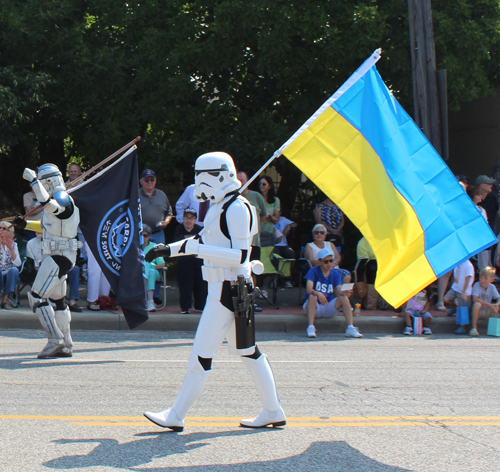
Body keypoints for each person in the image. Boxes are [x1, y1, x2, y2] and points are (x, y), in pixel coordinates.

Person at [144, 151, 285, 431]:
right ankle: (273, 410)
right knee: (248, 352)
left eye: (200, 176)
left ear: (217, 175)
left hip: (229, 290)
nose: (198, 184)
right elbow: (199, 239)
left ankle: (176, 415)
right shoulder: (222, 205)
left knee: (201, 354)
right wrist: (168, 250)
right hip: (225, 289)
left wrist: (195, 249)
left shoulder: (236, 208)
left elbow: (240, 255)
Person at [21, 163, 81, 358]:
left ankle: (54, 339)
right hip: (59, 255)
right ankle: (67, 343)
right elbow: (48, 226)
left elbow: (50, 206)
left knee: (37, 296)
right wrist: (25, 224)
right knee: (59, 301)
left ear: (48, 182)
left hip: (59, 256)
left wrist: (34, 181)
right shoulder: (58, 201)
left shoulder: (62, 199)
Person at [303, 247, 362, 339]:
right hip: (314, 307)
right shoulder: (313, 271)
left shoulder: (335, 273)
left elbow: (338, 288)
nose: (329, 264)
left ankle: (350, 327)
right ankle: (310, 327)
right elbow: (308, 289)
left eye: (331, 261)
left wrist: (343, 291)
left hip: (327, 306)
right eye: (326, 262)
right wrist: (318, 293)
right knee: (312, 296)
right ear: (320, 261)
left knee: (344, 298)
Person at [26, 231, 82, 312]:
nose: (38, 231)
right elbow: (30, 261)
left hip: (61, 267)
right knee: (50, 271)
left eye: (40, 229)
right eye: (36, 229)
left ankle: (72, 301)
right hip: (41, 268)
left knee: (75, 269)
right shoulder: (31, 243)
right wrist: (39, 263)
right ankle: (47, 300)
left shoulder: (59, 241)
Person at [237, 170, 267, 311]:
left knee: (253, 271)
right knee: (238, 271)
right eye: (238, 180)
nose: (240, 183)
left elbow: (263, 216)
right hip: (237, 243)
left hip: (254, 242)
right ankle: (239, 298)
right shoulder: (233, 197)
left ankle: (252, 300)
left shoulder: (256, 196)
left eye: (243, 180)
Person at [174, 209, 206, 314]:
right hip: (184, 261)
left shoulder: (199, 230)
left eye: (191, 218)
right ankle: (185, 307)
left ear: (195, 220)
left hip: (198, 260)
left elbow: (202, 245)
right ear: (183, 219)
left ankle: (200, 306)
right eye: (187, 218)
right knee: (185, 286)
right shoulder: (179, 229)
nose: (189, 221)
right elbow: (179, 245)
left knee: (200, 285)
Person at [139, 169, 173, 245]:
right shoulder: (135, 195)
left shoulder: (162, 195)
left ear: (155, 180)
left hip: (158, 233)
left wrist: (166, 222)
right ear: (141, 181)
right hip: (141, 233)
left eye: (152, 180)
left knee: (159, 255)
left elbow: (169, 213)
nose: (150, 182)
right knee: (141, 255)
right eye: (146, 180)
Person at [442, 259, 474, 334]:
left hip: (464, 291)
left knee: (463, 308)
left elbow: (468, 279)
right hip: (455, 287)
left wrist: (463, 292)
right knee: (445, 299)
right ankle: (454, 308)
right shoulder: (457, 263)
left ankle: (462, 327)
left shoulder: (468, 265)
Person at [469, 266, 500, 336]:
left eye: (485, 278)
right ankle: (474, 328)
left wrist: (496, 305)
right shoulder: (476, 285)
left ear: (492, 280)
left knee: (498, 307)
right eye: (481, 277)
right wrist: (490, 305)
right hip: (478, 311)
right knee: (477, 304)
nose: (482, 280)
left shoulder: (492, 287)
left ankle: (497, 328)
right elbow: (475, 299)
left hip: (487, 311)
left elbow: (499, 298)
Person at [142, 224, 165, 312]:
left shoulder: (155, 247)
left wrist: (150, 265)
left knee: (147, 264)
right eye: (140, 235)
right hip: (137, 273)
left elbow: (162, 264)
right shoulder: (134, 247)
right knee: (150, 271)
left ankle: (143, 297)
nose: (143, 237)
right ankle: (150, 301)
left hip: (154, 272)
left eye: (145, 235)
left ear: (149, 236)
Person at [477, 175, 499, 266]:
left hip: (490, 233)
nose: (491, 186)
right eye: (489, 184)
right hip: (477, 234)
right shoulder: (474, 198)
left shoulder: (493, 198)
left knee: (488, 259)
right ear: (482, 185)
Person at [0, 221, 21, 310]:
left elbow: (18, 263)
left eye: (4, 229)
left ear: (10, 232)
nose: (1, 230)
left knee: (14, 270)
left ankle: (4, 301)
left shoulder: (14, 245)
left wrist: (10, 248)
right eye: (0, 228)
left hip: (8, 273)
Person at [354, 236, 379, 310]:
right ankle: (371, 304)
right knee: (371, 267)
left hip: (386, 264)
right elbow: (363, 261)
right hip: (371, 267)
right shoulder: (362, 242)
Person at [273, 215, 297, 288]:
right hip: (272, 245)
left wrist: (288, 226)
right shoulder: (267, 221)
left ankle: (287, 279)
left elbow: (295, 224)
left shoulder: (282, 219)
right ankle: (273, 279)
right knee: (274, 254)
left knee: (290, 253)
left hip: (284, 245)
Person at [85, 241, 110, 311]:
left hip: (109, 234)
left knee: (107, 268)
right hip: (92, 235)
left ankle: (104, 300)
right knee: (95, 269)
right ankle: (92, 300)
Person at [258, 175, 280, 246]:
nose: (261, 185)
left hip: (268, 233)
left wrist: (269, 215)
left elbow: (276, 220)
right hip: (256, 232)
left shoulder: (275, 200)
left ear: (269, 186)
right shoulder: (257, 198)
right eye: (260, 184)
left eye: (264, 184)